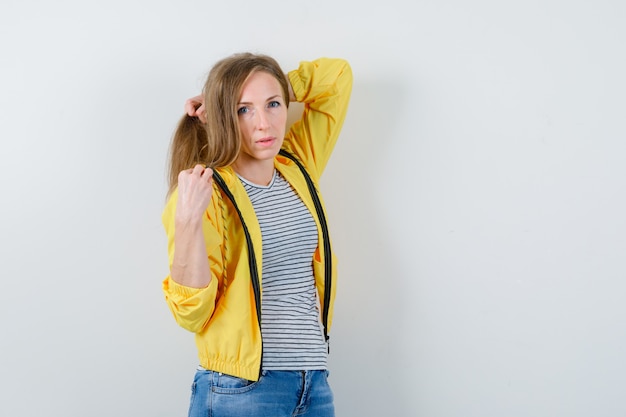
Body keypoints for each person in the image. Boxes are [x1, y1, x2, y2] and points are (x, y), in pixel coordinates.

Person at [162, 52, 352, 417]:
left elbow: (337, 77)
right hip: (241, 389)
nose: (264, 124)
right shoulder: (207, 191)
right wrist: (187, 222)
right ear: (223, 118)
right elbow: (192, 315)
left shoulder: (297, 165)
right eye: (243, 110)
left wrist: (266, 88)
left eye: (273, 104)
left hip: (314, 383)